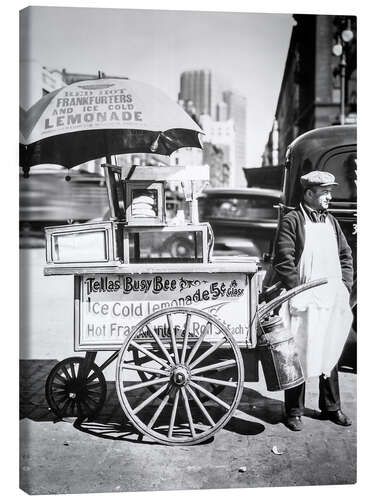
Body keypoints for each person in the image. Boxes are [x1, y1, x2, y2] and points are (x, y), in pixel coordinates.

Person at [273, 171, 353, 431]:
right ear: (309, 194)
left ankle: (331, 407)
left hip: (330, 297)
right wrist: (297, 290)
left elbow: (345, 255)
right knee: (298, 352)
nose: (329, 197)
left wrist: (345, 285)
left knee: (330, 350)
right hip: (303, 299)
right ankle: (293, 411)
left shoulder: (331, 222)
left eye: (330, 191)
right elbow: (284, 259)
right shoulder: (292, 220)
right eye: (325, 192)